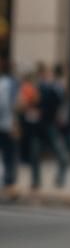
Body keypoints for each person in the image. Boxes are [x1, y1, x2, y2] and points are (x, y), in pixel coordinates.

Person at [27, 63, 70, 189]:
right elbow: (28, 106)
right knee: (34, 156)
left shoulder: (55, 89)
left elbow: (62, 103)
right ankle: (36, 181)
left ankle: (59, 179)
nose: (46, 76)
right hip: (38, 128)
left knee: (62, 155)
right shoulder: (35, 89)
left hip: (50, 126)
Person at [0, 57, 18, 190]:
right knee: (9, 154)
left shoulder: (10, 83)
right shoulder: (10, 83)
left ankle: (9, 181)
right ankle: (8, 181)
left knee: (9, 154)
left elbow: (13, 104)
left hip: (7, 124)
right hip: (7, 124)